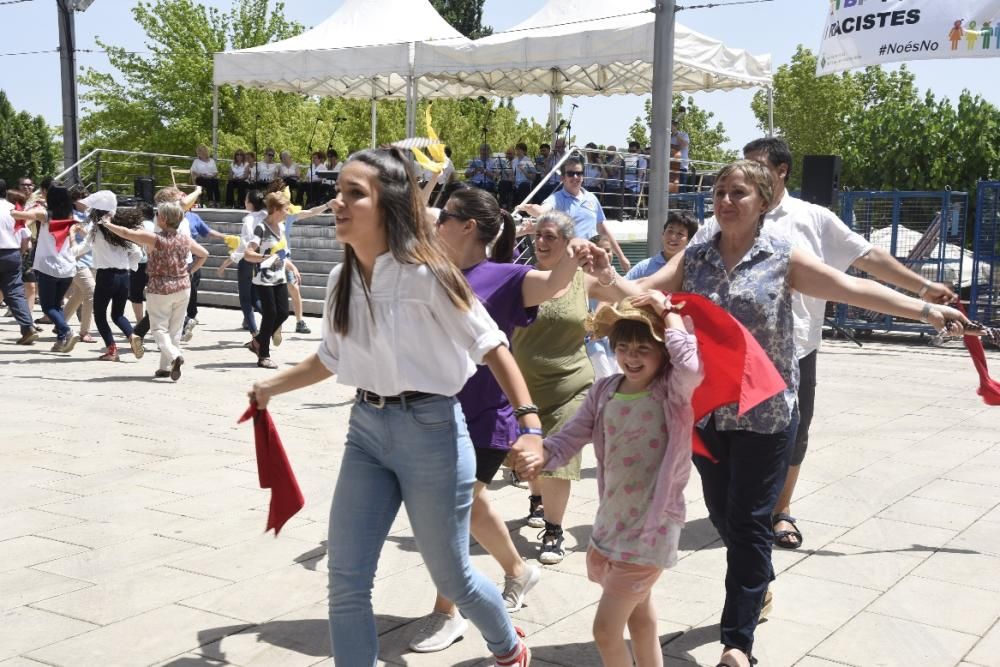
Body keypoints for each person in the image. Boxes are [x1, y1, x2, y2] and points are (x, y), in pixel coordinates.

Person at [594, 159, 975, 667]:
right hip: (708, 415)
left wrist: (926, 307)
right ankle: (759, 583)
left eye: (738, 194)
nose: (726, 202)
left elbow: (853, 287)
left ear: (765, 202)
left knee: (750, 526)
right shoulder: (697, 256)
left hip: (766, 413)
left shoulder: (781, 257)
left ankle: (737, 643)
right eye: (720, 192)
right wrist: (606, 276)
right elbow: (646, 294)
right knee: (727, 518)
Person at [246, 147, 534, 667]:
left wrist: (530, 426)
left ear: (390, 205)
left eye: (354, 193)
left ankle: (509, 648)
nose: (338, 202)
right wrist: (270, 388)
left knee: (454, 578)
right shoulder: (341, 281)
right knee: (348, 580)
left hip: (434, 435)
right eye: (339, 191)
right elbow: (330, 359)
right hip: (366, 432)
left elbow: (493, 347)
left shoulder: (430, 275)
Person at [691, 137, 957, 552]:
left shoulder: (812, 218)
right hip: (727, 362)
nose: (736, 189)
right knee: (722, 465)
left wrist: (923, 292)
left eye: (756, 171)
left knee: (791, 438)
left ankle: (779, 514)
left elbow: (863, 264)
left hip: (792, 353)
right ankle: (746, 532)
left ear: (780, 174)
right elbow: (680, 272)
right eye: (736, 177)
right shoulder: (718, 220)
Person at [408, 185, 601, 653]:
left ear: (469, 226)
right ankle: (518, 570)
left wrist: (574, 255)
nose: (438, 223)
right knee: (469, 506)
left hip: (484, 416)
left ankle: (446, 612)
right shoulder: (433, 271)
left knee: (450, 513)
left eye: (447, 216)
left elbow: (553, 284)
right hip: (434, 411)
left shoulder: (505, 276)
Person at [514, 294, 702, 667]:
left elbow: (692, 366)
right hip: (614, 520)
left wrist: (667, 314)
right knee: (640, 618)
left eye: (644, 348)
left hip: (651, 528)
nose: (632, 356)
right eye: (624, 347)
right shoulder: (604, 391)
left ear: (663, 351)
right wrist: (543, 454)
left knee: (604, 630)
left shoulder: (671, 391)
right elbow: (570, 436)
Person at [510, 210, 639, 565]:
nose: (541, 242)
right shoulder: (521, 278)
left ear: (568, 243)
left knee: (557, 461)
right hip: (523, 388)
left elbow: (635, 295)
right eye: (538, 235)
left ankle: (554, 529)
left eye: (550, 236)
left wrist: (605, 272)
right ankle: (537, 499)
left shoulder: (584, 282)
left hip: (571, 385)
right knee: (530, 458)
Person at [100, 200, 209, 380]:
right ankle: (165, 367)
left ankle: (175, 356)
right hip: (183, 287)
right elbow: (204, 254)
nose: (156, 217)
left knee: (158, 328)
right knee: (174, 329)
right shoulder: (184, 238)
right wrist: (190, 271)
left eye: (158, 215)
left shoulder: (155, 238)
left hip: (160, 289)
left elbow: (127, 233)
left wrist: (107, 223)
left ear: (164, 219)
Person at [518, 156, 632, 272]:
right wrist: (532, 209)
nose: (575, 177)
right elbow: (543, 210)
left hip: (592, 263)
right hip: (569, 265)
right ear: (563, 178)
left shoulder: (592, 198)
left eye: (579, 173)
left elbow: (603, 230)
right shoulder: (557, 199)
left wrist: (621, 257)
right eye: (571, 174)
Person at [74, 194, 144, 362]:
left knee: (99, 314)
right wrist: (131, 266)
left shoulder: (96, 229)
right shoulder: (120, 227)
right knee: (118, 314)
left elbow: (82, 248)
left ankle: (112, 350)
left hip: (106, 276)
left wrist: (65, 253)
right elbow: (137, 253)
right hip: (123, 276)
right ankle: (132, 335)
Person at [11, 185, 80, 352]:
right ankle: (60, 342)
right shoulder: (70, 216)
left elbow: (16, 214)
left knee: (48, 307)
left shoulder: (45, 215)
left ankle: (67, 330)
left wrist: (26, 206)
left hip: (48, 266)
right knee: (57, 305)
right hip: (68, 267)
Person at [243, 191, 293, 369]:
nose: (288, 211)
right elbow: (248, 253)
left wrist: (291, 266)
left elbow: (282, 252)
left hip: (279, 277)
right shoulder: (261, 228)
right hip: (263, 278)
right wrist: (263, 258)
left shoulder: (282, 227)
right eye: (286, 208)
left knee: (283, 313)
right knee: (271, 313)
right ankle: (263, 355)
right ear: (276, 209)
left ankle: (257, 341)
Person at [282, 198, 337, 335]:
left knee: (294, 289)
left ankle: (300, 322)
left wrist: (327, 205)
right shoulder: (267, 218)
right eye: (285, 204)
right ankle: (250, 316)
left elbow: (312, 212)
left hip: (285, 259)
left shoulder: (289, 217)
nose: (289, 206)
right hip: (270, 259)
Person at [216, 190, 266, 338]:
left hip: (248, 260)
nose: (244, 202)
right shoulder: (267, 216)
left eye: (245, 199)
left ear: (250, 203)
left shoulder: (249, 220)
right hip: (262, 260)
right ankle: (273, 319)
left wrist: (226, 262)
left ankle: (254, 333)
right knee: (255, 297)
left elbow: (245, 246)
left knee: (245, 299)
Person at [0, 179, 38, 345]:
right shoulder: (14, 209)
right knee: (15, 292)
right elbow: (26, 235)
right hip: (12, 254)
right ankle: (27, 327)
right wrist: (20, 253)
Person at [61, 184, 98, 343]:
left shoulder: (91, 215)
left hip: (92, 259)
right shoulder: (71, 216)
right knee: (91, 292)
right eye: (83, 198)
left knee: (79, 294)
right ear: (75, 201)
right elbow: (87, 235)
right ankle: (85, 331)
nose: (87, 201)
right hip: (76, 259)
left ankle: (60, 322)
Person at [625, 212, 698, 280]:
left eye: (680, 234)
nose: (673, 237)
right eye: (670, 231)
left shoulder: (695, 268)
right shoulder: (643, 268)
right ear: (663, 234)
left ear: (689, 240)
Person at [128, 202, 157, 325]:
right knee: (153, 293)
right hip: (155, 263)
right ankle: (151, 319)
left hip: (139, 263)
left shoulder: (137, 227)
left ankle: (140, 322)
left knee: (136, 293)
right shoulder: (156, 226)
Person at [622, 141, 647, 219]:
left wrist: (635, 162)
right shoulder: (625, 159)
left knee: (630, 192)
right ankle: (621, 212)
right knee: (617, 190)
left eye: (633, 151)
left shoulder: (642, 160)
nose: (631, 153)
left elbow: (640, 175)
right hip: (623, 184)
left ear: (639, 151)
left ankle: (629, 212)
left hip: (634, 185)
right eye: (630, 151)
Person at [670, 119, 691, 191]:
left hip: (681, 167)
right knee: (671, 191)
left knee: (680, 191)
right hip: (669, 168)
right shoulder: (667, 137)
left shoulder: (683, 135)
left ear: (675, 126)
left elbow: (683, 145)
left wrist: (676, 134)